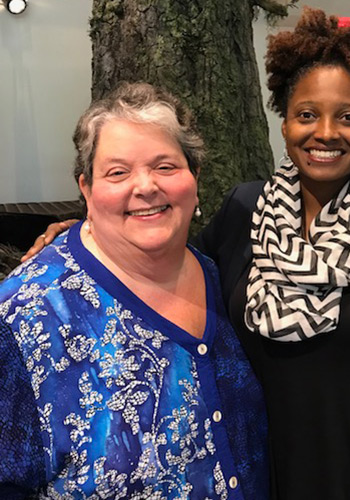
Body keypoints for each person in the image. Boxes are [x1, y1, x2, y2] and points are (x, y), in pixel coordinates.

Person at [23, 8, 350, 500]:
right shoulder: (244, 210)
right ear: (286, 121)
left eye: (349, 117)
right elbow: (169, 268)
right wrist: (86, 234)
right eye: (307, 114)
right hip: (267, 470)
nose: (326, 133)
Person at [0, 82, 268, 499]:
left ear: (194, 178)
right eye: (118, 172)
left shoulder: (223, 276)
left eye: (165, 166)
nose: (145, 186)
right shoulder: (26, 316)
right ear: (87, 189)